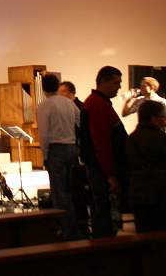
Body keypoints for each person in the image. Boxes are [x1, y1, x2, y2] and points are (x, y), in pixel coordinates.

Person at [127, 100, 166, 232]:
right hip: (160, 192)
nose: (164, 120)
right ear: (153, 118)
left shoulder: (132, 138)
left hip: (139, 192)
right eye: (161, 117)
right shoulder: (159, 137)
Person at [84, 65, 128, 237]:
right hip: (101, 169)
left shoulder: (98, 102)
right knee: (103, 212)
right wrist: (110, 175)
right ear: (103, 81)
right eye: (116, 82)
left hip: (101, 168)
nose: (119, 87)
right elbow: (101, 142)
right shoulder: (97, 104)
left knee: (103, 210)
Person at [38, 73, 80, 240]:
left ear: (43, 89)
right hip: (72, 148)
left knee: (59, 192)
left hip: (56, 150)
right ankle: (76, 228)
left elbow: (44, 134)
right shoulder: (69, 103)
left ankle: (66, 231)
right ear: (57, 86)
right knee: (71, 190)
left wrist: (45, 154)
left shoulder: (44, 105)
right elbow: (80, 121)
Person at [59, 80, 93, 238]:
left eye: (63, 92)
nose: (60, 95)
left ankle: (82, 222)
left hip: (78, 150)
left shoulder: (79, 106)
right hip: (71, 148)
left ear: (71, 92)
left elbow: (83, 129)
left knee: (79, 187)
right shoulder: (66, 107)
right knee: (72, 187)